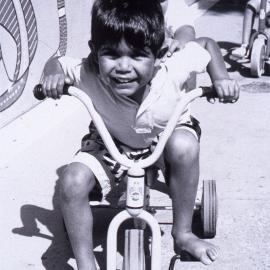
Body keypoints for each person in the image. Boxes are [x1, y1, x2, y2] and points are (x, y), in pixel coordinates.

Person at [40, 0, 240, 269]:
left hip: (164, 135)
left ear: (160, 54)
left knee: (184, 145)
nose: (123, 66)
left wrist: (221, 78)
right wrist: (51, 76)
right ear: (94, 51)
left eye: (137, 56)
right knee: (72, 181)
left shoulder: (173, 66)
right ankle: (86, 263)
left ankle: (182, 234)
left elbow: (206, 45)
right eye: (111, 54)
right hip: (111, 142)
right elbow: (56, 62)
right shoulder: (88, 70)